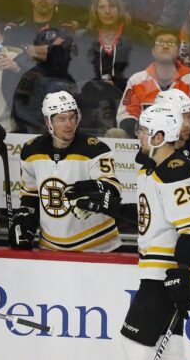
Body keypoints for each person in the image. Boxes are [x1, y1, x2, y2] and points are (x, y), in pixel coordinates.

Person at [102, 105, 190, 360]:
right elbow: (154, 221)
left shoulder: (174, 171)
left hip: (161, 275)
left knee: (135, 345)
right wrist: (112, 207)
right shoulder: (157, 169)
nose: (139, 137)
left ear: (160, 137)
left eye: (144, 131)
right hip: (161, 270)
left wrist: (178, 272)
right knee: (171, 346)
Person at [12, 90, 122, 252]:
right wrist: (25, 221)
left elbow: (113, 190)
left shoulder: (95, 149)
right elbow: (30, 196)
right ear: (48, 121)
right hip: (49, 247)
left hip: (98, 246)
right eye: (61, 119)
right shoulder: (31, 151)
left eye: (72, 117)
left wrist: (95, 190)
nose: (69, 124)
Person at [116, 33, 190, 134]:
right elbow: (125, 115)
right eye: (160, 43)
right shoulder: (137, 80)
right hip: (142, 139)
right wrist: (146, 133)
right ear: (153, 51)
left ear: (178, 51)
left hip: (178, 141)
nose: (165, 46)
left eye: (171, 43)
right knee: (115, 133)